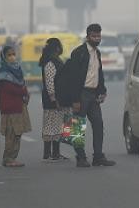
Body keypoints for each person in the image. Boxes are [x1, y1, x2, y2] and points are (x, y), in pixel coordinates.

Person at [59, 24, 116, 168]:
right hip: (81, 94)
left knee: (98, 124)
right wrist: (75, 100)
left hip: (93, 94)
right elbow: (73, 78)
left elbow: (99, 73)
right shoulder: (79, 53)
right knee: (77, 127)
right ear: (88, 36)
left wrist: (102, 91)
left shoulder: (97, 53)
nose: (97, 39)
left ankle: (98, 156)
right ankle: (81, 157)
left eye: (99, 36)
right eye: (94, 36)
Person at [0, 46, 31, 168]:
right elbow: (8, 88)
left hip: (19, 106)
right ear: (4, 57)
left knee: (18, 133)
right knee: (11, 134)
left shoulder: (18, 69)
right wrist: (23, 92)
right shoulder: (3, 72)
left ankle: (12, 158)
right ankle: (8, 158)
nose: (12, 57)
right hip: (10, 107)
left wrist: (25, 92)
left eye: (13, 54)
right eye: (9, 55)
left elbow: (22, 84)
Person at [40, 38, 71, 161]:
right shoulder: (51, 63)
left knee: (57, 126)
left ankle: (54, 153)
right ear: (57, 48)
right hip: (53, 100)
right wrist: (54, 99)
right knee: (51, 126)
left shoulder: (55, 61)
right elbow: (50, 83)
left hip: (58, 98)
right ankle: (49, 153)